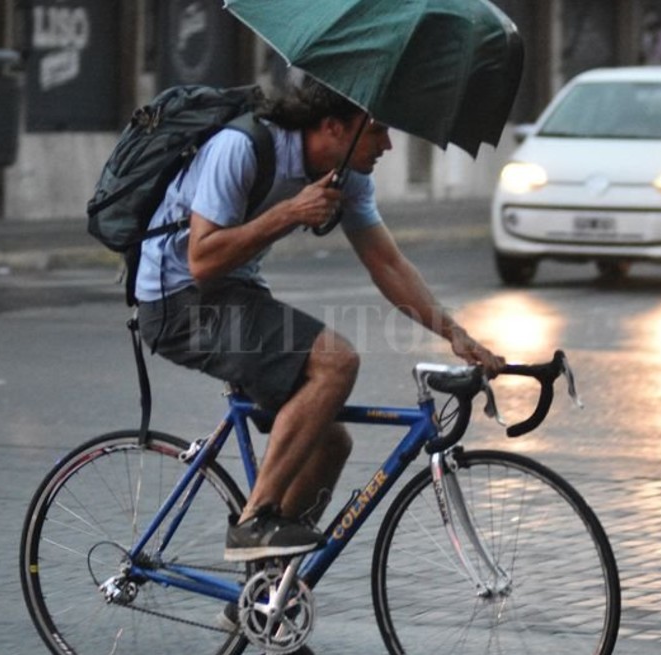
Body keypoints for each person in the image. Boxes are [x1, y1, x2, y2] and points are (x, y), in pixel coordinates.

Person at [136, 76, 505, 563]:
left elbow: (386, 263)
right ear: (333, 127)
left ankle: (266, 594)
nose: (388, 145)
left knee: (329, 442)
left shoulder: (348, 175)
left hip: (234, 292)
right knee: (335, 361)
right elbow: (202, 260)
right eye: (376, 131)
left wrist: (454, 333)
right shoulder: (241, 148)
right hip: (177, 298)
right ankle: (254, 522)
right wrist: (289, 212)